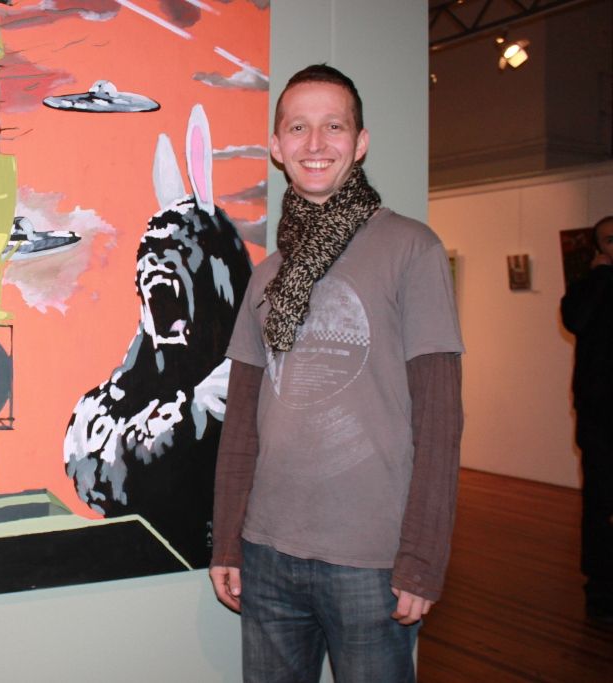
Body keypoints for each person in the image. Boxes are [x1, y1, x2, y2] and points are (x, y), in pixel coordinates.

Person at [208, 64, 464, 682]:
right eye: (298, 127)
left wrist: (422, 558)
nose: (315, 143)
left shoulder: (412, 249)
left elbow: (440, 420)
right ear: (277, 146)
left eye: (334, 126)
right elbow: (241, 423)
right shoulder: (268, 275)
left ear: (361, 141)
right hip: (266, 553)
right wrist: (228, 541)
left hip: (371, 563)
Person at [560, 215, 613, 626]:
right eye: (610, 240)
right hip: (600, 416)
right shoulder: (586, 288)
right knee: (601, 503)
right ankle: (600, 589)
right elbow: (576, 320)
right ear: (598, 248)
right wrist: (600, 278)